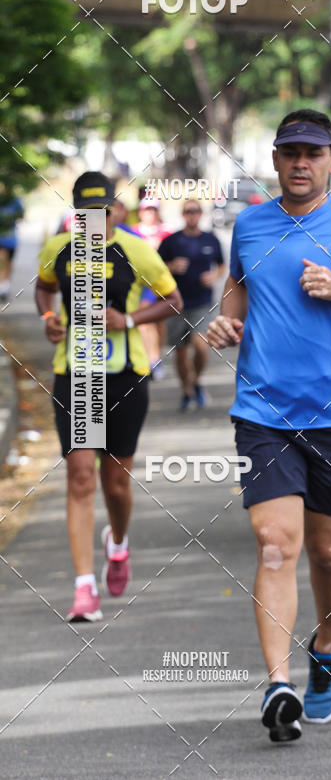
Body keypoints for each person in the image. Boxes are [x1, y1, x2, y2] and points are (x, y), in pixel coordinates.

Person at [207, 109, 331, 743]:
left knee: (326, 550)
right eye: (290, 151)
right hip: (262, 412)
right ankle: (278, 686)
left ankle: (326, 646)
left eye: (313, 153)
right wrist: (224, 322)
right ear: (274, 160)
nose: (301, 162)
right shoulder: (249, 223)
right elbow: (238, 290)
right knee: (276, 544)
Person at [35, 172, 182, 621]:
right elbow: (44, 287)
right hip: (77, 376)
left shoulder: (136, 250)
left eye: (102, 212)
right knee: (80, 476)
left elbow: (172, 300)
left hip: (123, 377)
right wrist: (48, 316)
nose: (94, 221)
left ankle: (117, 544)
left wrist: (131, 320)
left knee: (115, 483)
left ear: (114, 209)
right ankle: (84, 589)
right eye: (86, 214)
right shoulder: (58, 249)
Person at [158, 202, 225, 411]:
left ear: (201, 214)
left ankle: (196, 380)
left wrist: (214, 276)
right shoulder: (171, 241)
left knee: (201, 346)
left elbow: (222, 265)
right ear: (183, 214)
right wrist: (171, 266)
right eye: (188, 211)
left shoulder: (210, 239)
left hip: (202, 303)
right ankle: (187, 391)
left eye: (196, 211)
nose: (192, 215)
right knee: (180, 352)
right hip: (176, 304)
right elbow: (156, 267)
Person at [132, 197, 170, 378]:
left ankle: (157, 355)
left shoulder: (166, 233)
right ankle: (152, 359)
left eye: (153, 210)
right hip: (142, 284)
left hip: (163, 283)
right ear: (140, 212)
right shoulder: (132, 233)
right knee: (145, 319)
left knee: (160, 323)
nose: (150, 214)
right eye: (147, 210)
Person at [0, 195, 24, 300]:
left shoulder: (14, 200)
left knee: (8, 263)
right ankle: (3, 286)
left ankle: (5, 286)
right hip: (3, 239)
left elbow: (21, 214)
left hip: (10, 239)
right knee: (2, 261)